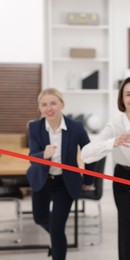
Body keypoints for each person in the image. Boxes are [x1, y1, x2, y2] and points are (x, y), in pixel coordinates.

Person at [81, 76, 130, 260]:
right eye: (128, 94)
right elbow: (86, 154)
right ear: (122, 99)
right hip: (124, 179)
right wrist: (113, 142)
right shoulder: (115, 126)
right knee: (127, 229)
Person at [27, 88, 95, 260]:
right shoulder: (35, 127)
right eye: (44, 105)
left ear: (61, 104)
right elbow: (32, 158)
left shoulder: (76, 127)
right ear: (40, 108)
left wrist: (88, 179)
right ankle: (54, 239)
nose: (49, 108)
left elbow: (90, 153)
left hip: (65, 182)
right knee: (40, 218)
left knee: (57, 228)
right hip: (42, 180)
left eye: (53, 103)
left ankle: (56, 244)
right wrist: (43, 155)